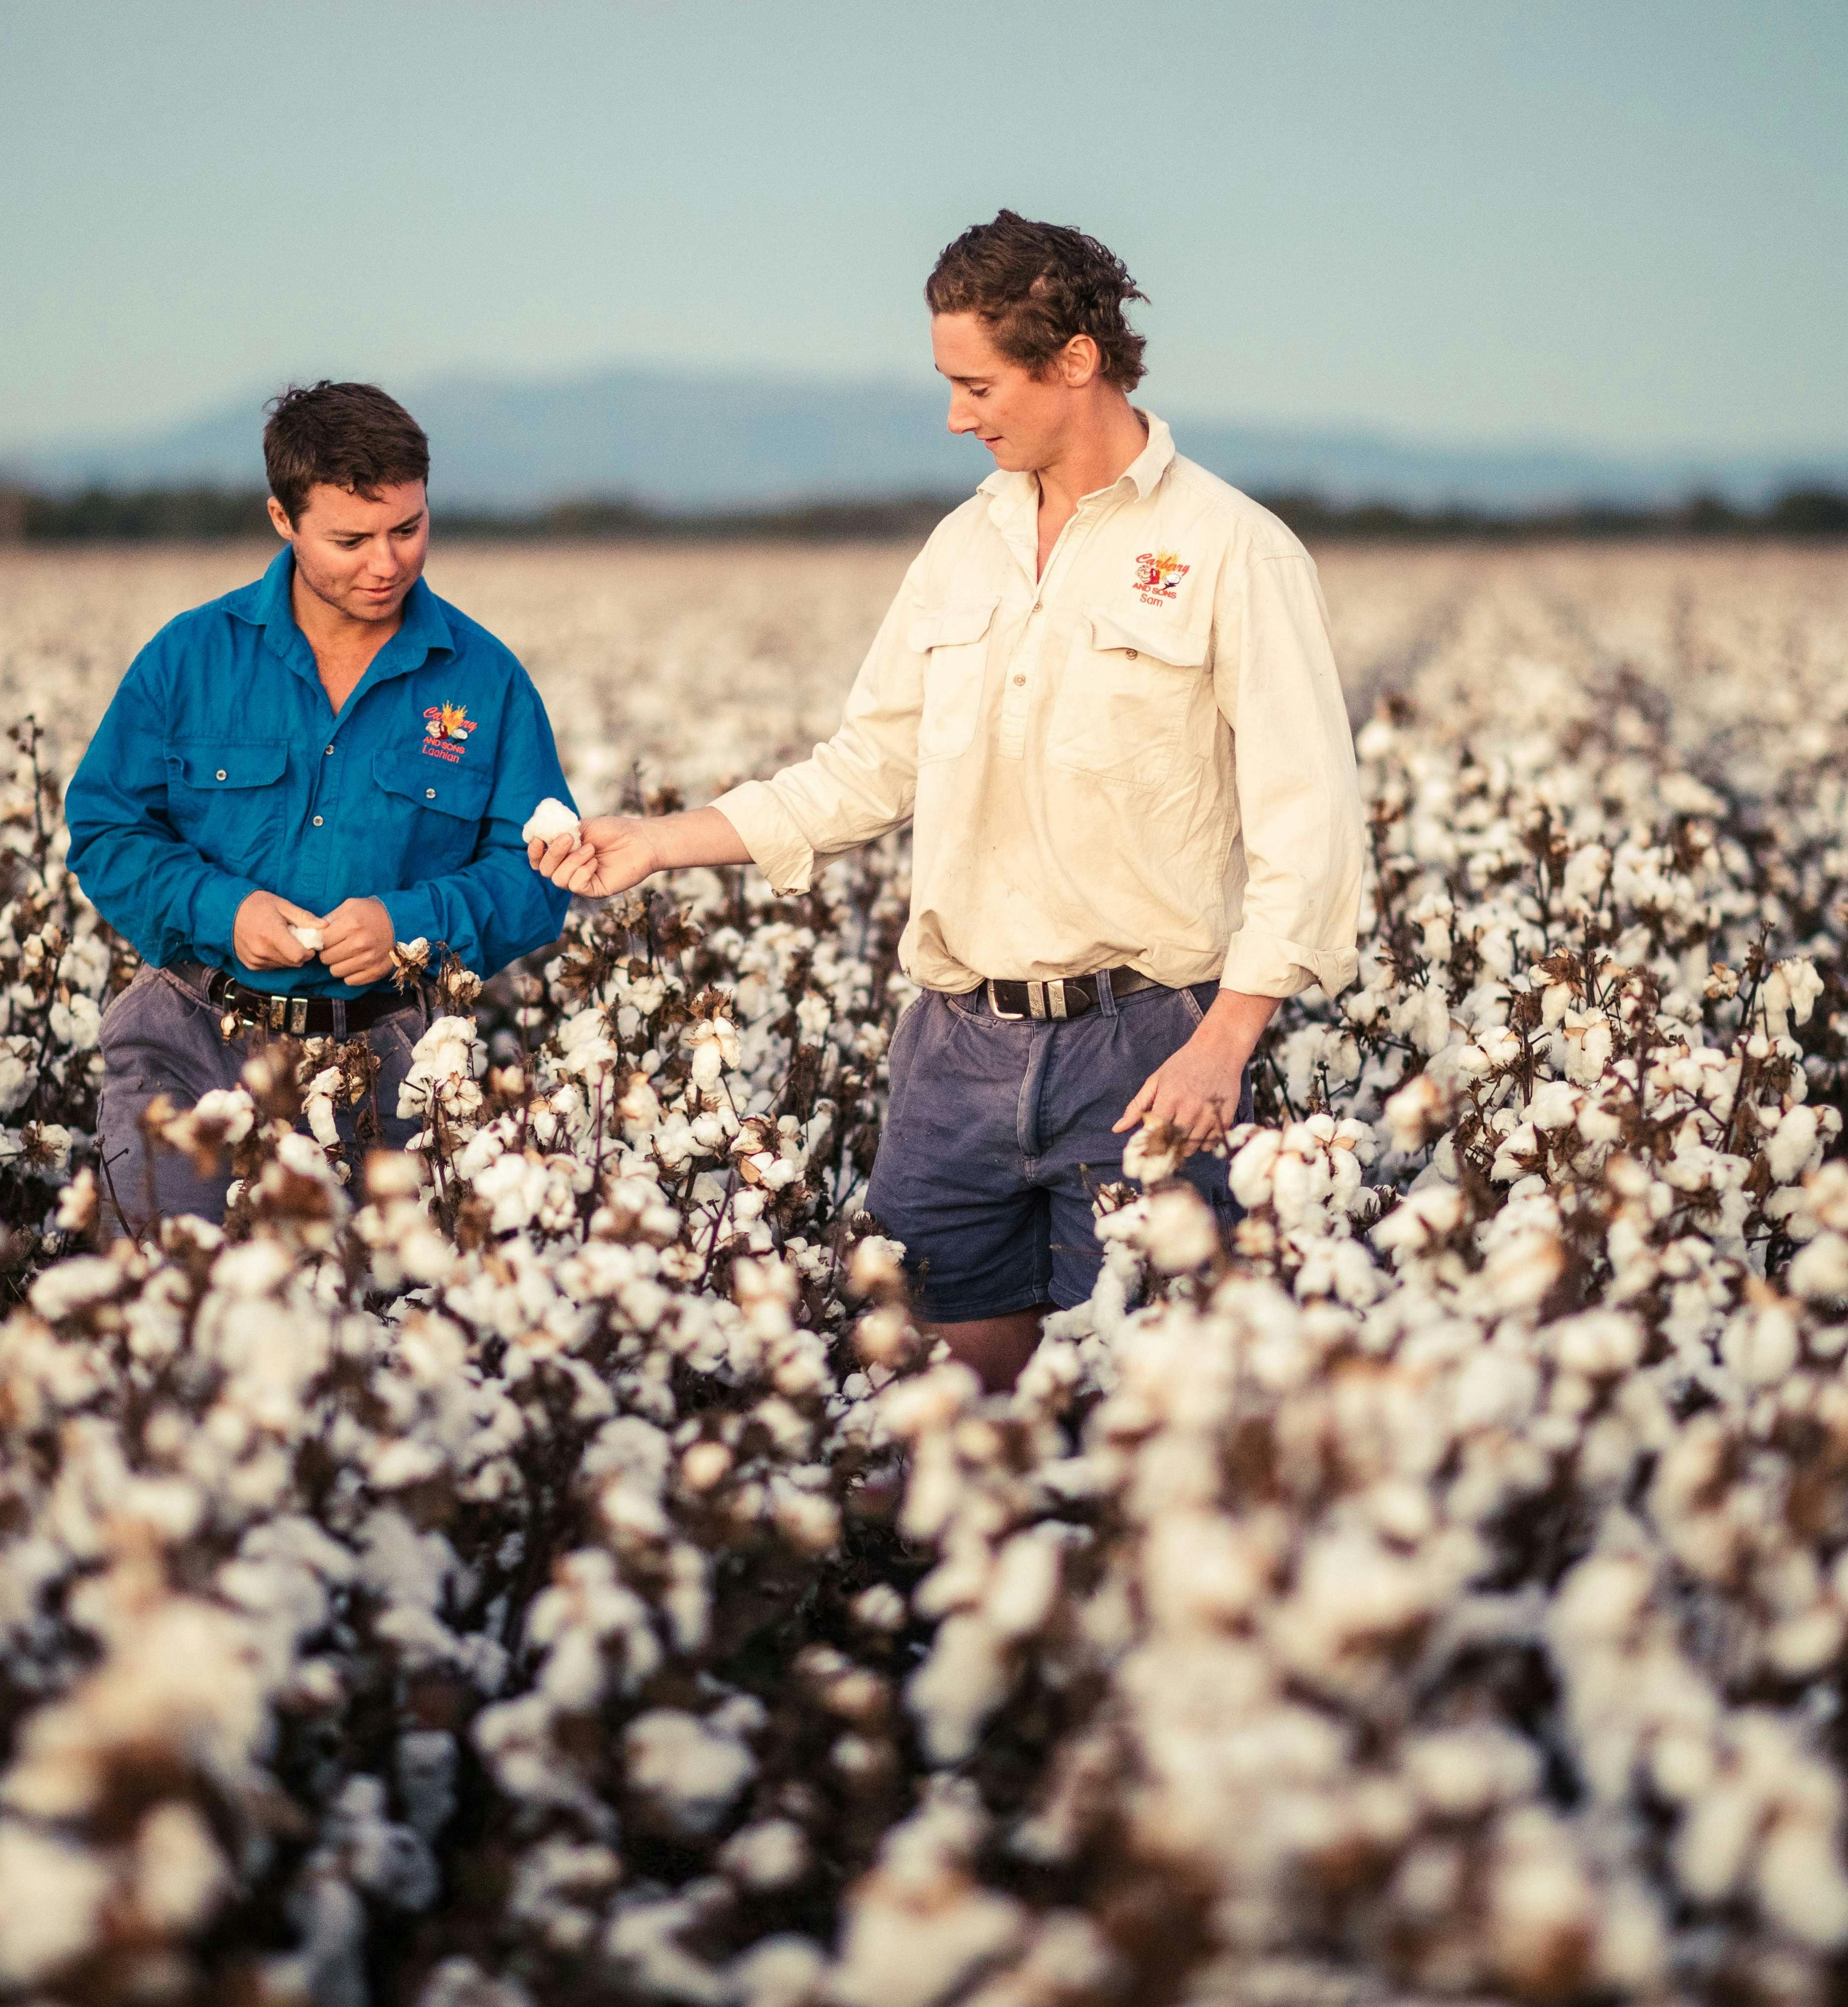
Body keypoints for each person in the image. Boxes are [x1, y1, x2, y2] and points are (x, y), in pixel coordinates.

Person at [531, 212, 1365, 1392]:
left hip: (1144, 1048)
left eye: (976, 384)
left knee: (1134, 1413)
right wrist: (660, 844)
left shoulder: (1234, 549)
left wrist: (1226, 1043)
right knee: (934, 1413)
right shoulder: (962, 546)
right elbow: (867, 766)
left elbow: (1308, 824)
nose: (956, 416)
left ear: (1074, 361)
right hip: (952, 1051)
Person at [68, 380, 572, 1238]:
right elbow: (106, 831)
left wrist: (410, 924)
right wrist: (221, 910)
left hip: (392, 1064)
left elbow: (539, 877)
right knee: (165, 1321)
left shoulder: (486, 679)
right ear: (282, 519)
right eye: (350, 539)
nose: (387, 563)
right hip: (189, 1044)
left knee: (369, 1341)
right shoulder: (188, 658)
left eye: (408, 529)